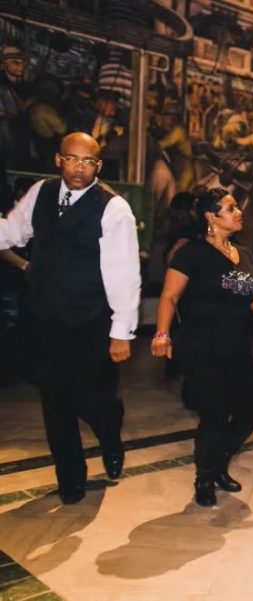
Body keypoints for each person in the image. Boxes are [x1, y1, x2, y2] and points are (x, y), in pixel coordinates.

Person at [0, 132, 140, 504]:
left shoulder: (113, 208)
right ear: (58, 160)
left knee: (94, 401)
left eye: (88, 161)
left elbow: (124, 274)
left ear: (99, 165)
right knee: (55, 401)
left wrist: (122, 332)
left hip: (92, 323)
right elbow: (11, 232)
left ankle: (110, 434)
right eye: (73, 159)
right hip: (46, 321)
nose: (80, 168)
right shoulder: (41, 194)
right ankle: (71, 480)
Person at [151, 188, 253, 507]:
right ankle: (205, 477)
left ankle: (218, 464)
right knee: (215, 416)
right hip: (203, 349)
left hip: (237, 349)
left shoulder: (245, 255)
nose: (238, 212)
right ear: (210, 216)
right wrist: (162, 333)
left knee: (250, 413)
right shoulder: (191, 253)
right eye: (230, 208)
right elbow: (169, 296)